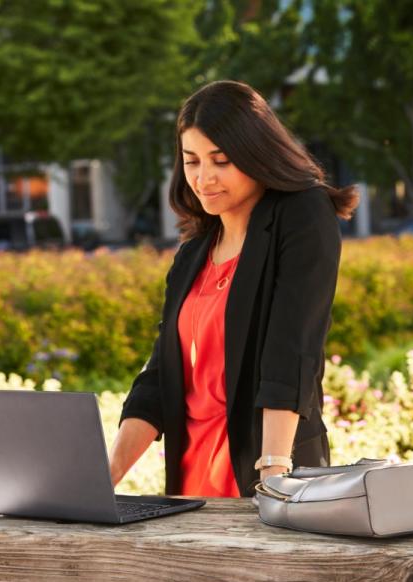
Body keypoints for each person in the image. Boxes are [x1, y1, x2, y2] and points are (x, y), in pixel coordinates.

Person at [108, 80, 357, 498]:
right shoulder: (194, 251)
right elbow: (160, 377)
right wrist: (103, 476)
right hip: (191, 482)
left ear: (255, 154)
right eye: (191, 161)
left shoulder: (303, 214)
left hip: (265, 472)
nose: (203, 179)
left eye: (220, 161)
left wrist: (274, 476)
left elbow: (292, 347)